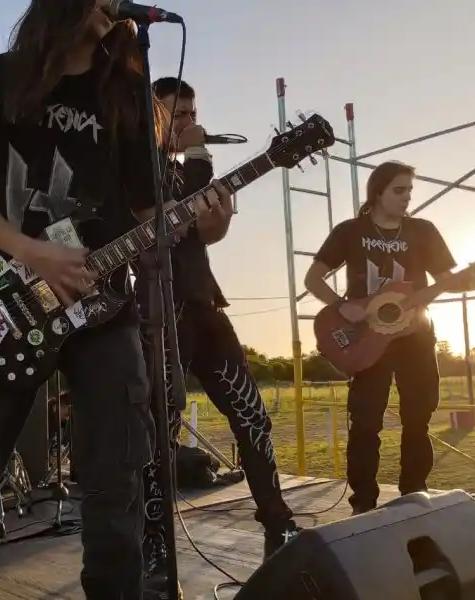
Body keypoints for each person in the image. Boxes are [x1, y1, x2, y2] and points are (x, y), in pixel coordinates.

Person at [0, 2, 229, 599]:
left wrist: (198, 211)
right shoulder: (2, 78)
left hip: (104, 308)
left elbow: (144, 214)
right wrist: (30, 251)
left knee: (116, 481)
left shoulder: (128, 96)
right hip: (11, 300)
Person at [138, 78, 299, 598]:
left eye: (192, 112)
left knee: (252, 414)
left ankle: (279, 521)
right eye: (175, 112)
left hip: (202, 301)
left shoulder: (187, 171)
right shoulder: (137, 165)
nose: (186, 120)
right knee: (159, 427)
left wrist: (218, 216)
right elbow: (164, 213)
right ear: (152, 112)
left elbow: (204, 231)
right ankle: (155, 540)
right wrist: (199, 154)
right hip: (152, 308)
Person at [304, 161, 475, 515]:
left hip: (415, 335)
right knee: (365, 422)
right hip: (366, 339)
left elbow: (446, 280)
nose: (407, 197)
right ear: (378, 192)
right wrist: (342, 306)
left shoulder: (424, 231)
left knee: (418, 419)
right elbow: (313, 279)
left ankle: (413, 498)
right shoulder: (350, 231)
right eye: (399, 190)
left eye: (409, 190)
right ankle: (363, 505)